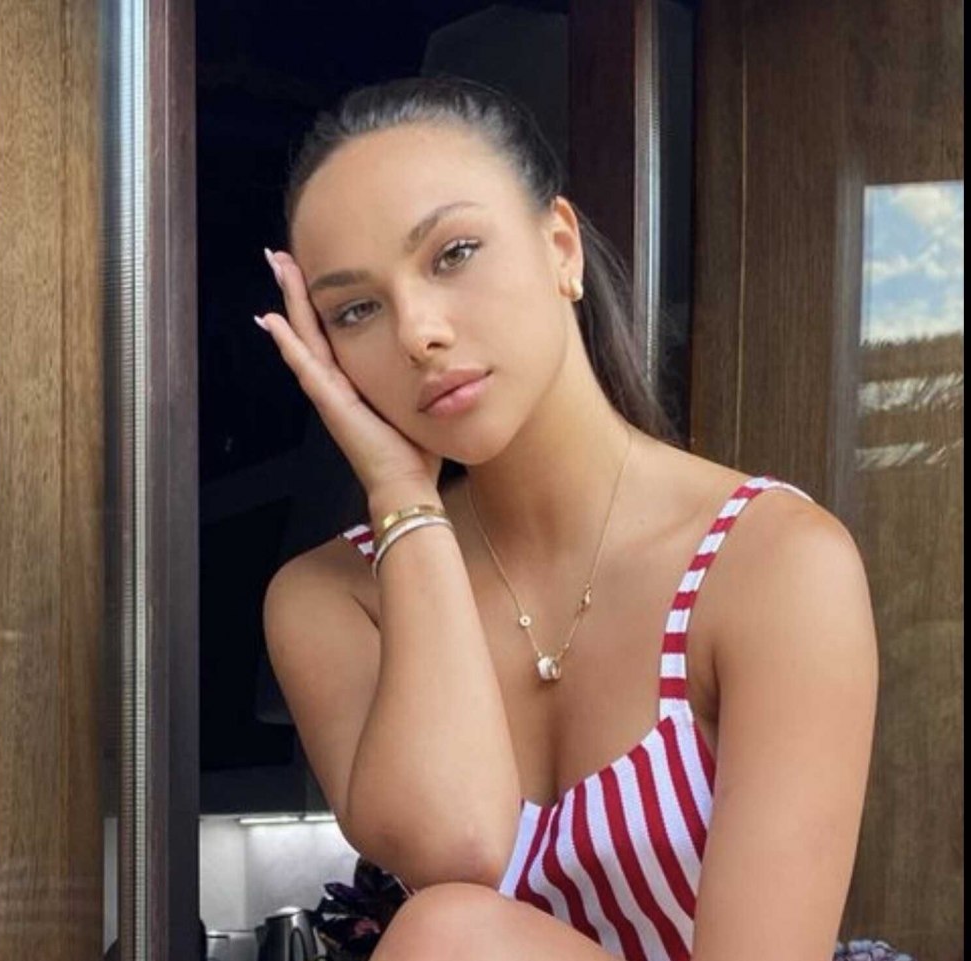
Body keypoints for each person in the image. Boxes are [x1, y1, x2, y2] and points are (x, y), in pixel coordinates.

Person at [257, 76, 878, 961]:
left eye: (453, 253)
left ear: (560, 248)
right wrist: (402, 498)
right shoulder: (333, 598)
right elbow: (458, 843)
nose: (417, 332)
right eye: (355, 309)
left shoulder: (772, 563)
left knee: (450, 939)